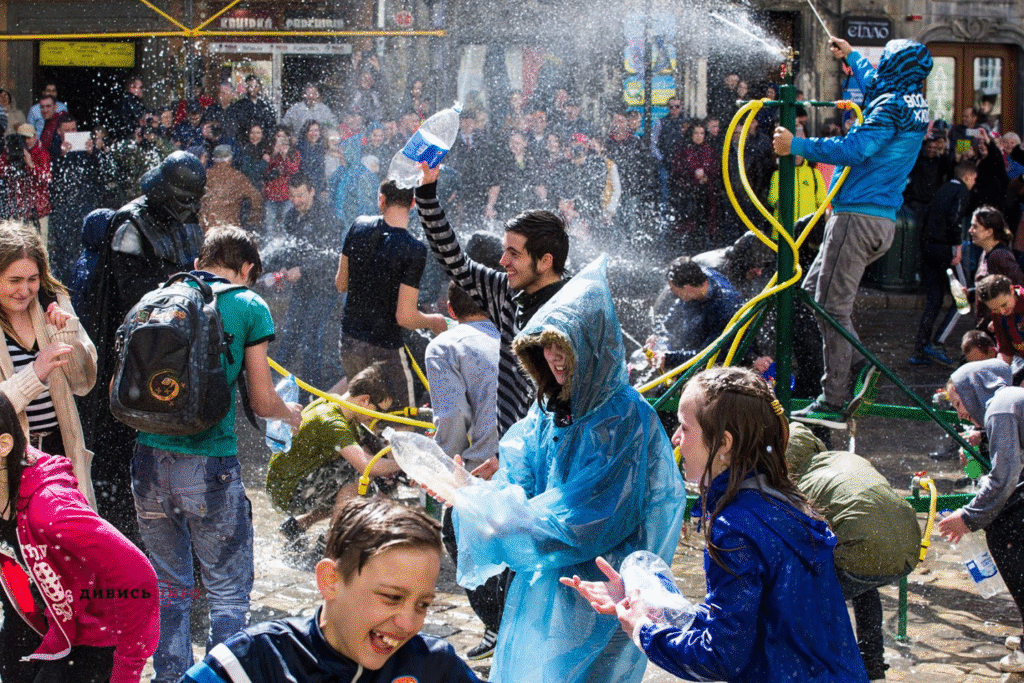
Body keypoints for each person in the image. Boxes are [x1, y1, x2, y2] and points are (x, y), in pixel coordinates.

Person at [435, 256, 684, 683]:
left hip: (602, 590)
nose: (555, 358)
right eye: (546, 346)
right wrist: (477, 497)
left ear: (592, 342)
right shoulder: (549, 408)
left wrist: (490, 510)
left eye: (564, 345)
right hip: (546, 580)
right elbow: (520, 474)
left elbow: (588, 520)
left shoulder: (623, 417)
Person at [563, 366, 867, 683]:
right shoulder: (786, 502)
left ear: (723, 443)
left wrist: (643, 632)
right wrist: (642, 603)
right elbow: (742, 621)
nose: (675, 439)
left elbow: (721, 656)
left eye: (685, 427)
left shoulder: (734, 527)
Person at [131, 226, 302, 683]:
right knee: (227, 593)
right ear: (247, 268)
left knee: (169, 587)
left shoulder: (159, 296)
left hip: (147, 459)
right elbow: (265, 403)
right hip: (208, 462)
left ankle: (170, 677)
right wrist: (293, 413)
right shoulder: (248, 304)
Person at [415, 160, 570, 658]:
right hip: (508, 451)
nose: (502, 260)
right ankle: (506, 629)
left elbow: (574, 396)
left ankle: (532, 640)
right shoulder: (507, 293)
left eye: (513, 253)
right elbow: (454, 260)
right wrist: (427, 196)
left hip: (555, 456)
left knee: (541, 554)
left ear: (545, 260)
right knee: (463, 530)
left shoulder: (573, 309)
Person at [775, 37, 932, 420]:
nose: (879, 70)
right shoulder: (910, 100)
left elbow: (854, 149)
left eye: (885, 62)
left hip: (857, 218)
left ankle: (834, 398)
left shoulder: (888, 107)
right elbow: (878, 82)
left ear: (895, 67)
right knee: (814, 292)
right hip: (878, 220)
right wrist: (852, 57)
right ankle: (859, 363)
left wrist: (797, 144)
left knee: (832, 308)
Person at [180, 496, 483, 683]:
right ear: (330, 581)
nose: (408, 623)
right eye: (392, 597)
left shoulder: (435, 667)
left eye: (423, 604)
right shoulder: (254, 663)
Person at [82, 150, 206, 541]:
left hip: (174, 343)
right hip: (131, 347)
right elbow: (131, 297)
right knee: (119, 438)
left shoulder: (185, 220)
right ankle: (119, 527)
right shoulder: (130, 225)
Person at [0, 392, 159, 683]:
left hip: (92, 646)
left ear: (4, 445)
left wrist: (126, 671)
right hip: (40, 630)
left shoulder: (50, 510)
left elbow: (141, 581)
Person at [785, 422, 921, 680]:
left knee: (805, 595)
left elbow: (796, 544)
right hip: (909, 548)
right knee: (864, 582)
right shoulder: (845, 457)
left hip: (867, 550)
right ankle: (872, 664)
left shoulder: (799, 486)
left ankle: (820, 669)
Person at [425, 281, 501, 655]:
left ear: (451, 311)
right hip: (521, 462)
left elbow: (453, 415)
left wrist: (438, 468)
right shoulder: (514, 337)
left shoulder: (445, 345)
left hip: (477, 472)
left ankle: (497, 626)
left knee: (458, 536)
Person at [0, 220, 96, 505]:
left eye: (33, 279)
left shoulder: (53, 301)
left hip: (61, 452)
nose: (25, 290)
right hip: (9, 461)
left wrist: (66, 333)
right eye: (14, 281)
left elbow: (83, 383)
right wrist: (36, 372)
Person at [938, 358, 1024, 673]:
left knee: (1006, 535)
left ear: (974, 389)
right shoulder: (1007, 401)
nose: (959, 411)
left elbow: (1004, 477)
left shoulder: (1000, 408)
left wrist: (969, 517)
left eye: (959, 402)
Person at [335, 179, 447, 406]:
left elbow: (341, 283)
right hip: (384, 349)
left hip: (349, 342)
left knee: (363, 416)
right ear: (413, 203)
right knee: (400, 422)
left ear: (381, 200)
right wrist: (434, 321)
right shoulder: (413, 249)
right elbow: (404, 317)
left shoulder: (358, 226)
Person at [267, 363, 400, 554]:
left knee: (363, 492)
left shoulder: (339, 404)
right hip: (286, 492)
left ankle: (298, 525)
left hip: (287, 482)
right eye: (378, 410)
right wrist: (405, 465)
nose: (377, 417)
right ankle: (328, 545)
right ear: (364, 400)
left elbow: (369, 448)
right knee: (358, 476)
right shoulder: (332, 421)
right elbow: (368, 465)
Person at [269, 172, 344, 395]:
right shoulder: (292, 216)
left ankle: (311, 391)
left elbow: (330, 257)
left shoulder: (328, 218)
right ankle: (273, 385)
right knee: (290, 333)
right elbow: (290, 247)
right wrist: (284, 267)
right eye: (292, 196)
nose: (296, 201)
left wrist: (301, 270)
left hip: (323, 287)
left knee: (312, 338)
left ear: (312, 192)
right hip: (302, 287)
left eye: (300, 195)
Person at [909, 161, 976, 367]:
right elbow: (954, 218)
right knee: (962, 298)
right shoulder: (961, 191)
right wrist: (957, 247)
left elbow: (929, 219)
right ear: (967, 177)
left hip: (929, 248)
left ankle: (920, 348)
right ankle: (938, 342)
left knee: (934, 300)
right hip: (945, 250)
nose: (974, 183)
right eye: (974, 179)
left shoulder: (942, 189)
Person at [649, 256, 745, 370]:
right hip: (706, 318)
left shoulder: (724, 306)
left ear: (687, 288)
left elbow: (707, 355)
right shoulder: (699, 278)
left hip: (724, 355)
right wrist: (657, 334)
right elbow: (677, 309)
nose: (670, 291)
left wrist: (669, 359)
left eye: (672, 288)